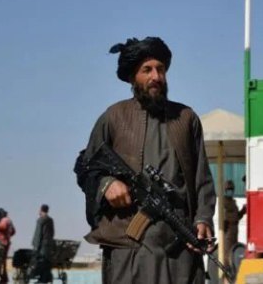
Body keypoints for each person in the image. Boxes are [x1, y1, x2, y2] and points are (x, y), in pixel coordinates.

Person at [79, 36, 216, 284]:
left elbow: (202, 180)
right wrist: (107, 184)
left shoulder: (186, 119)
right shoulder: (114, 117)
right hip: (128, 249)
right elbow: (86, 165)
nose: (156, 76)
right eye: (147, 70)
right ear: (133, 77)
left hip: (178, 248)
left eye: (160, 69)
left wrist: (203, 219)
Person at [221, 180, 246, 265]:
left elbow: (236, 216)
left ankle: (232, 267)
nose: (230, 191)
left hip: (234, 230)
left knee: (233, 250)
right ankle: (226, 268)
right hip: (228, 230)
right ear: (225, 190)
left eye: (231, 190)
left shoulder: (233, 201)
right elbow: (225, 216)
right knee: (227, 251)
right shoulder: (223, 202)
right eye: (228, 190)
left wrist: (242, 211)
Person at [31, 204, 55, 283]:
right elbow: (52, 233)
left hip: (42, 246)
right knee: (47, 262)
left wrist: (35, 246)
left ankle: (42, 279)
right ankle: (47, 278)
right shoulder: (50, 220)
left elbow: (38, 234)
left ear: (41, 210)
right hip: (49, 245)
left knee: (41, 262)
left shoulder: (41, 220)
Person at [0, 208, 15, 283]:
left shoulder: (4, 220)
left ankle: (3, 278)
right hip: (6, 242)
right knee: (3, 261)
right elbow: (13, 231)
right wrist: (8, 235)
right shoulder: (9, 220)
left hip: (2, 243)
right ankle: (4, 278)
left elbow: (3, 227)